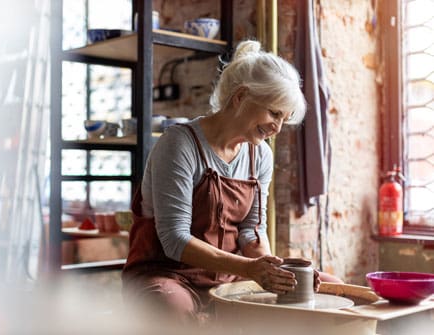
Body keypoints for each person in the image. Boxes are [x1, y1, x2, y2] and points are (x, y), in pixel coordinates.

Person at [122, 39, 339, 324]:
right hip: (167, 273)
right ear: (240, 97)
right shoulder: (179, 144)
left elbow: (252, 231)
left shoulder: (259, 154)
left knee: (331, 285)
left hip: (231, 272)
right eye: (274, 113)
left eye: (283, 119)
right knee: (171, 307)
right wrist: (251, 270)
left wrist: (272, 271)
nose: (277, 127)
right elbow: (174, 240)